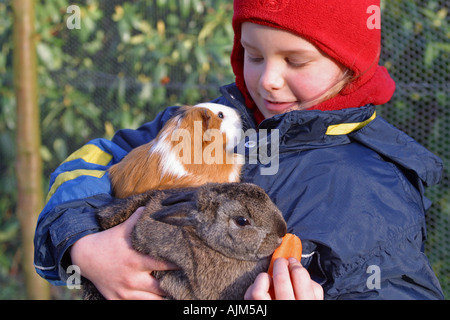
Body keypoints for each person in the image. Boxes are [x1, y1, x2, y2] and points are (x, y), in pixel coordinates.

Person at [34, 0, 445, 299]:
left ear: (349, 65)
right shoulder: (198, 123)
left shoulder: (375, 185)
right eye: (253, 55)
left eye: (295, 61)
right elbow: (90, 163)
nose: (268, 79)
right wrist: (83, 246)